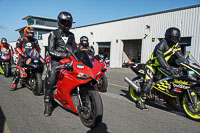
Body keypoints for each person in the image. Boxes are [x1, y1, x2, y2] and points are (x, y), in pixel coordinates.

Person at [137, 27, 184, 110]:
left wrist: (185, 64)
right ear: (168, 37)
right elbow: (160, 58)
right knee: (149, 82)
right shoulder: (162, 44)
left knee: (170, 80)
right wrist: (169, 68)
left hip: (163, 66)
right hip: (152, 65)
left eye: (176, 37)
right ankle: (141, 101)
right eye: (172, 37)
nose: (174, 39)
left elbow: (180, 55)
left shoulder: (176, 45)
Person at [44, 11, 77, 116]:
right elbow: (51, 50)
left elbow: (75, 49)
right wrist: (65, 55)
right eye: (64, 22)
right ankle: (47, 103)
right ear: (59, 21)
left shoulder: (72, 35)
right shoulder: (53, 34)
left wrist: (77, 54)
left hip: (69, 61)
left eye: (68, 23)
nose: (66, 24)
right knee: (51, 79)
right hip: (56, 61)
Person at [11, 26, 40, 91]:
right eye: (30, 33)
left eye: (32, 33)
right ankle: (14, 84)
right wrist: (22, 54)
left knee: (37, 67)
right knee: (17, 71)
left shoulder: (35, 40)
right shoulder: (21, 39)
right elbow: (17, 48)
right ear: (26, 32)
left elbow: (38, 49)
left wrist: (37, 54)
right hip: (22, 57)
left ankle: (33, 80)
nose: (31, 34)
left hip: (31, 57)